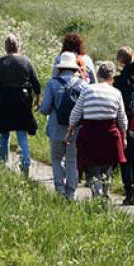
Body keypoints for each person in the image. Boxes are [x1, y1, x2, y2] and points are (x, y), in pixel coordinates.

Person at [69, 62, 128, 200]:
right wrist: (124, 136)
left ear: (98, 75)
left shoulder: (88, 90)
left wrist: (70, 129)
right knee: (107, 168)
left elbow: (76, 113)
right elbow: (122, 118)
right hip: (110, 135)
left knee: (93, 167)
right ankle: (104, 193)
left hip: (90, 135)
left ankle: (97, 193)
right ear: (112, 77)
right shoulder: (116, 93)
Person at [0, 33, 41, 177]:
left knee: (4, 134)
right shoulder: (26, 62)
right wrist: (37, 100)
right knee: (21, 134)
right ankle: (25, 163)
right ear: (19, 46)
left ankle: (2, 163)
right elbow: (36, 84)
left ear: (5, 47)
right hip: (22, 103)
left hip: (4, 101)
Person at [38, 53, 87, 199]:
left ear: (60, 67)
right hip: (75, 129)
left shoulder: (52, 84)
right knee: (72, 160)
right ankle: (70, 193)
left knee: (56, 158)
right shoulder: (83, 85)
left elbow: (45, 109)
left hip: (56, 128)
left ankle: (59, 189)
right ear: (74, 68)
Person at [113, 46, 134, 205]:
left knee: (125, 157)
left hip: (124, 121)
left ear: (120, 61)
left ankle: (129, 192)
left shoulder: (119, 80)